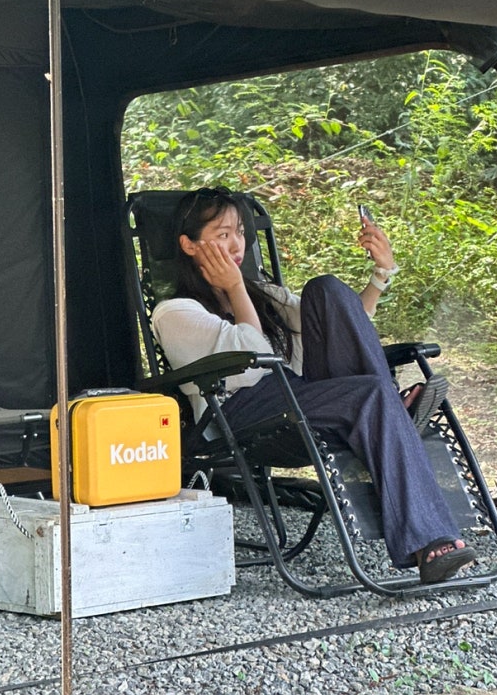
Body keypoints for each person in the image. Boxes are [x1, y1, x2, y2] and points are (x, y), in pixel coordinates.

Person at [151, 186, 477, 584]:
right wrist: (235, 289)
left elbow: (344, 327)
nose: (237, 245)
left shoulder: (264, 294)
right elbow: (251, 364)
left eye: (240, 232)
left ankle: (387, 412)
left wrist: (381, 274)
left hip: (299, 398)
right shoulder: (174, 312)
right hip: (241, 414)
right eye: (222, 234)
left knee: (326, 290)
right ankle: (428, 534)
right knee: (373, 396)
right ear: (189, 245)